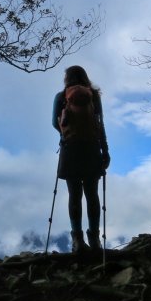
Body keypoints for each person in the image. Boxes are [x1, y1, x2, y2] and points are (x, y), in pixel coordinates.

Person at [52, 65, 110, 253]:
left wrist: (66, 133)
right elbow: (99, 123)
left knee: (74, 195)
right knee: (92, 195)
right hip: (92, 148)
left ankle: (77, 241)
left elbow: (55, 122)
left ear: (66, 79)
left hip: (70, 149)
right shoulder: (93, 95)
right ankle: (95, 239)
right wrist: (105, 150)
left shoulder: (61, 97)